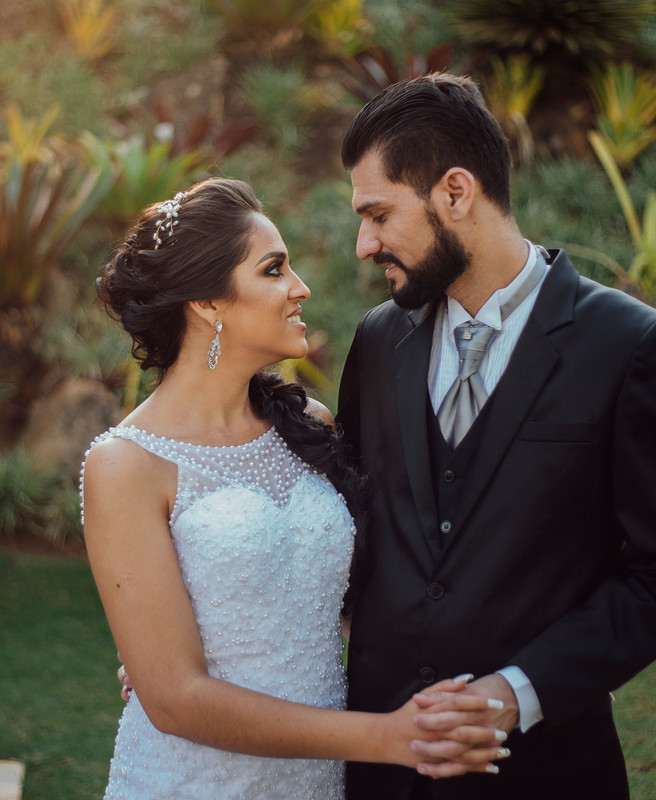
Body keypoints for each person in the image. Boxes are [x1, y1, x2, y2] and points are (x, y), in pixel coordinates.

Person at [334, 73, 656, 799]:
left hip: (547, 775)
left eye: (378, 214)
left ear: (455, 193)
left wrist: (517, 693)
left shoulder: (631, 347)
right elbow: (348, 530)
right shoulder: (377, 343)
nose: (362, 243)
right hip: (382, 775)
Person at [80, 177, 508, 800]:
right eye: (274, 269)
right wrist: (383, 738)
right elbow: (174, 699)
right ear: (208, 302)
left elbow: (370, 595)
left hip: (316, 781)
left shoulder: (310, 425)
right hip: (194, 780)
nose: (300, 287)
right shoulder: (126, 465)